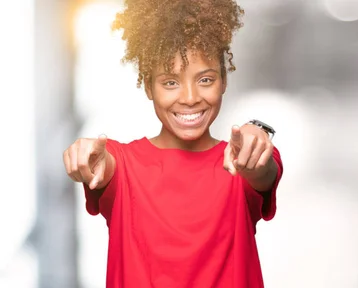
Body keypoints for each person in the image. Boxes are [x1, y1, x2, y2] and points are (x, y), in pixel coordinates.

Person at [61, 0, 283, 287]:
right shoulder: (123, 165)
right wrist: (90, 158)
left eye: (205, 79)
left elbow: (263, 171)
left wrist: (258, 147)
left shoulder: (239, 161)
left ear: (224, 80)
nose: (189, 97)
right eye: (170, 82)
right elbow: (105, 165)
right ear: (148, 85)